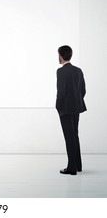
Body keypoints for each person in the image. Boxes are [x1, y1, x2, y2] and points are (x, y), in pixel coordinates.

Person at [56, 45, 87, 175]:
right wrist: (77, 101)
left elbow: (61, 92)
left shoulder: (61, 71)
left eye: (58, 55)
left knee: (69, 137)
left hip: (66, 109)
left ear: (61, 56)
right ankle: (78, 165)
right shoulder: (78, 70)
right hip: (77, 107)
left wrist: (58, 106)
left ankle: (71, 168)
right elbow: (83, 90)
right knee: (74, 135)